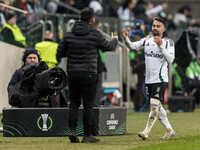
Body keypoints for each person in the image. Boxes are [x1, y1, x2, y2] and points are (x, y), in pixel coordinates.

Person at [57, 7, 118, 143]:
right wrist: (114, 39)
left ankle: (72, 130)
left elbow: (60, 53)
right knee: (88, 105)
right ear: (92, 20)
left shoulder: (68, 34)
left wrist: (73, 52)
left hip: (72, 73)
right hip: (89, 73)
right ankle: (87, 135)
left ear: (79, 18)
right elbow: (109, 46)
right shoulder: (95, 34)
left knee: (73, 103)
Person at [122, 17, 175, 140]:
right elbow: (132, 46)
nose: (155, 28)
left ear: (163, 29)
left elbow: (171, 59)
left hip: (161, 80)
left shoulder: (168, 42)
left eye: (158, 26)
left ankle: (146, 132)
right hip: (149, 80)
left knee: (154, 106)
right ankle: (169, 130)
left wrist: (161, 46)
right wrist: (125, 38)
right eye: (154, 26)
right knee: (158, 106)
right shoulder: (147, 40)